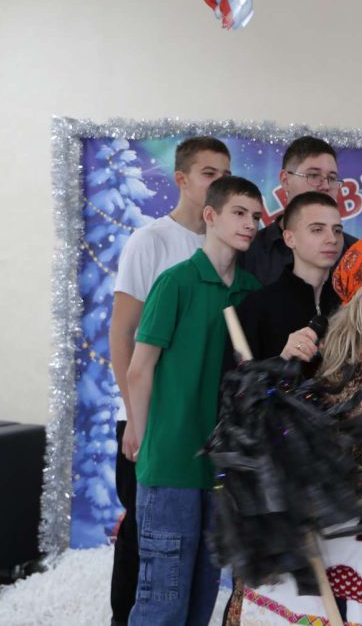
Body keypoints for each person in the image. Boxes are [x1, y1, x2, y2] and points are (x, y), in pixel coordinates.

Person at [227, 234, 362, 626]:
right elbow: (276, 430)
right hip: (308, 537)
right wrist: (283, 363)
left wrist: (325, 498)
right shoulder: (323, 357)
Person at [126, 175, 264, 626]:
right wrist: (143, 435)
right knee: (162, 600)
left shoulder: (251, 292)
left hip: (222, 470)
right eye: (239, 213)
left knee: (203, 599)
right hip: (171, 464)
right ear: (210, 215)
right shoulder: (175, 283)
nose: (250, 224)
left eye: (256, 216)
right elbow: (139, 369)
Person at [107, 136, 230, 626]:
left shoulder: (228, 244)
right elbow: (123, 333)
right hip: (147, 418)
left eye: (226, 174)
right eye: (209, 173)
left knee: (192, 549)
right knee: (144, 534)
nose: (218, 182)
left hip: (196, 422)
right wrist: (135, 418)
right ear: (182, 179)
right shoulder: (152, 241)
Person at [236, 191, 344, 375]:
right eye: (317, 230)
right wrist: (281, 361)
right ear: (289, 238)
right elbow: (236, 385)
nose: (332, 239)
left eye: (337, 230)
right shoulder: (257, 307)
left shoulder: (352, 304)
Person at [243, 135, 356, 285]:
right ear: (285, 180)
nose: (326, 185)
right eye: (313, 175)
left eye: (332, 178)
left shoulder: (355, 253)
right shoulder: (249, 252)